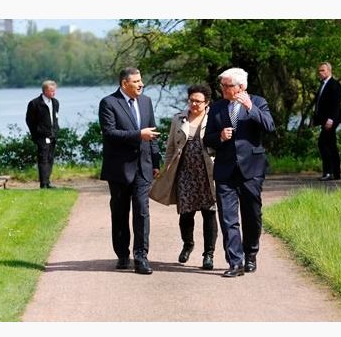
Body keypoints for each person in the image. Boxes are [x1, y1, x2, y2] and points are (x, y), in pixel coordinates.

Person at [204, 68, 275, 278]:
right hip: (225, 170)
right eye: (222, 85)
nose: (223, 89)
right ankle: (235, 262)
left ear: (241, 87)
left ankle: (251, 254)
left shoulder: (258, 102)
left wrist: (250, 108)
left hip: (252, 169)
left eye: (227, 86)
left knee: (252, 214)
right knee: (228, 218)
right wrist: (220, 137)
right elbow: (207, 139)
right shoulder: (217, 107)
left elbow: (269, 126)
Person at [99, 67, 161, 275]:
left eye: (141, 80)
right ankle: (123, 255)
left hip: (143, 168)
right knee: (120, 213)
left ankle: (141, 257)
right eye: (136, 81)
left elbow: (151, 132)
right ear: (125, 83)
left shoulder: (146, 102)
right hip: (119, 169)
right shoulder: (108, 103)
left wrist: (155, 162)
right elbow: (110, 133)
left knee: (142, 212)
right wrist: (138, 135)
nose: (141, 84)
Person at [150, 84, 218, 270]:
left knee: (209, 213)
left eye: (198, 101)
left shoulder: (214, 118)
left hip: (208, 173)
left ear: (207, 103)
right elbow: (170, 147)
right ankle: (188, 244)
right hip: (185, 173)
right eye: (191, 100)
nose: (194, 104)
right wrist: (166, 169)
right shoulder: (178, 119)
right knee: (186, 213)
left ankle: (208, 254)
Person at [25, 80, 60, 189]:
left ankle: (48, 182)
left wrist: (55, 130)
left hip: (52, 135)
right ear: (45, 91)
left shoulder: (55, 102)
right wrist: (35, 135)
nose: (54, 93)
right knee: (43, 159)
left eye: (55, 90)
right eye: (51, 91)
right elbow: (29, 121)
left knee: (50, 158)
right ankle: (43, 183)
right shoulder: (34, 103)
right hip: (41, 136)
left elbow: (55, 118)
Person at [313, 62, 341, 181]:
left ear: (329, 71)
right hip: (324, 120)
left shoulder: (334, 84)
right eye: (319, 71)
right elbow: (319, 103)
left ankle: (329, 172)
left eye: (323, 70)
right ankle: (335, 174)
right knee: (331, 145)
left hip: (330, 121)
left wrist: (331, 119)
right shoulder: (323, 84)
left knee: (323, 144)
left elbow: (336, 104)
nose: (320, 73)